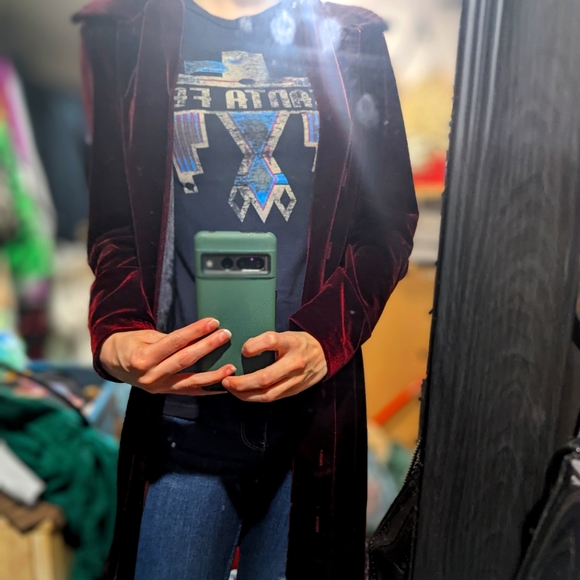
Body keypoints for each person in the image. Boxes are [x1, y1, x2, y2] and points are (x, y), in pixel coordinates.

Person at [74, 0, 418, 577]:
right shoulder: (124, 31)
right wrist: (117, 333)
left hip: (311, 424)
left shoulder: (351, 37)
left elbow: (385, 228)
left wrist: (325, 338)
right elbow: (115, 229)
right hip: (183, 416)